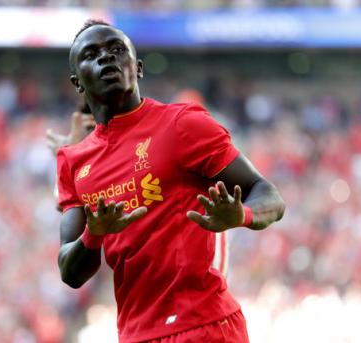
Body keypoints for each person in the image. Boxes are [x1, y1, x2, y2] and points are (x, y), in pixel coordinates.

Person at [56, 20, 285, 343]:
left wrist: (241, 215)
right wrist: (94, 234)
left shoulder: (183, 125)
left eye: (116, 50)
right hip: (137, 334)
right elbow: (71, 272)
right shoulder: (73, 162)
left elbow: (269, 195)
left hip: (204, 325)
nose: (106, 57)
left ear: (137, 68)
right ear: (77, 82)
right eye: (91, 54)